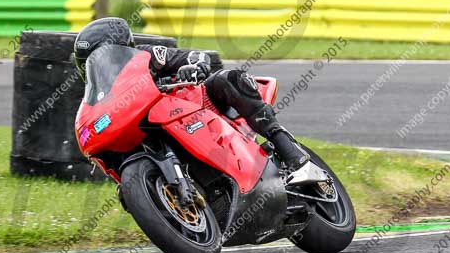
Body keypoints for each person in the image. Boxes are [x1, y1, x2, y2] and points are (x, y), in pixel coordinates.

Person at [74, 17, 322, 183]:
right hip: (153, 127)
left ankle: (290, 151)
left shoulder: (147, 55)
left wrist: (194, 66)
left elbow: (193, 55)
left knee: (229, 78)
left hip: (194, 106)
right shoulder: (98, 97)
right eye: (87, 62)